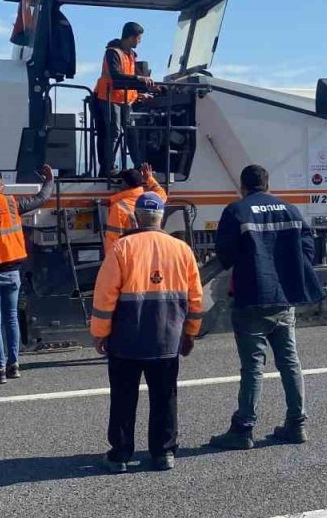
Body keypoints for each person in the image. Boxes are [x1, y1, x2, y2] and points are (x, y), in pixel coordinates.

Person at [209, 165, 323, 450]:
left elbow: (225, 253)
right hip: (284, 298)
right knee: (289, 362)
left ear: (242, 185)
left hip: (251, 297)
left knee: (252, 368)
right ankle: (296, 424)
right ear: (267, 183)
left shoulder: (236, 210)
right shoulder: (291, 210)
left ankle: (244, 428)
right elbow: (309, 251)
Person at [91, 191, 203, 473]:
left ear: (135, 217)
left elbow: (104, 296)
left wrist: (100, 332)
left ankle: (120, 455)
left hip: (126, 340)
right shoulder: (182, 249)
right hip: (167, 337)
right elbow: (196, 298)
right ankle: (163, 453)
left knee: (123, 397)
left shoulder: (121, 248)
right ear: (161, 216)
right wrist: (190, 333)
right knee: (165, 396)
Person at [0, 164, 54, 384]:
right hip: (12, 271)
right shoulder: (11, 203)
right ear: (0, 186)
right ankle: (14, 365)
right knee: (12, 319)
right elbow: (41, 198)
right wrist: (49, 180)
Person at [91, 22, 160, 175]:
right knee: (113, 132)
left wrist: (144, 91)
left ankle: (139, 167)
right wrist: (139, 78)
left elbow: (131, 80)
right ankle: (108, 169)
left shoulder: (131, 55)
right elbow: (116, 76)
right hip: (108, 97)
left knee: (131, 132)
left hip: (125, 100)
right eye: (139, 38)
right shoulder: (113, 52)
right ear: (131, 37)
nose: (139, 42)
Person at [103, 164, 168, 257]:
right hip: (149, 251)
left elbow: (113, 239)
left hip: (131, 254)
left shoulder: (118, 207)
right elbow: (162, 194)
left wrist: (110, 261)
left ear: (125, 184)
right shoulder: (152, 200)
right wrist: (149, 178)